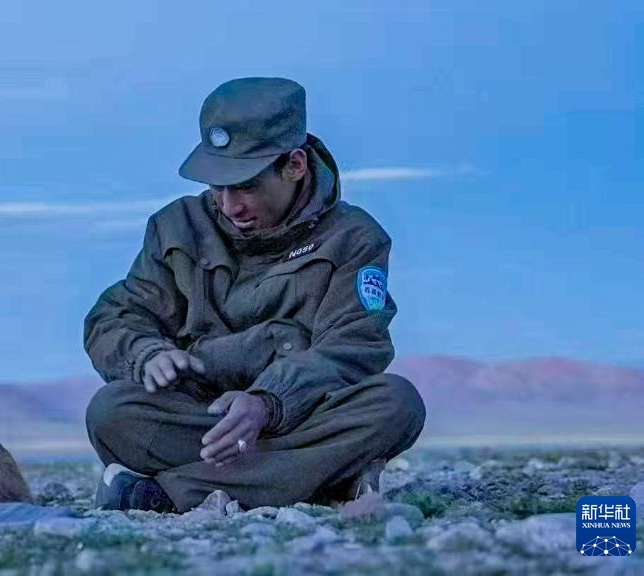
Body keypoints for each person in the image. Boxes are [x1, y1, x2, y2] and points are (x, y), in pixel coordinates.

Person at [83, 77, 425, 513]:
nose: (230, 206)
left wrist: (267, 403)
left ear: (295, 165)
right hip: (202, 419)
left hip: (305, 417)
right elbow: (115, 316)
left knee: (396, 403)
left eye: (245, 185)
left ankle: (167, 494)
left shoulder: (354, 238)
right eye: (216, 185)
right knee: (111, 411)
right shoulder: (175, 227)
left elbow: (354, 345)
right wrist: (146, 353)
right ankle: (320, 476)